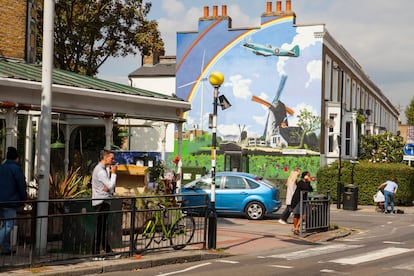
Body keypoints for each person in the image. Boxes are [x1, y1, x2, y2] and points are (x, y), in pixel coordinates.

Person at [0, 147, 27, 255]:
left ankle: (6, 248)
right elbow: (21, 185)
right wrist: (24, 198)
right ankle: (5, 247)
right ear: (17, 158)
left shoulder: (1, 167)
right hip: (10, 201)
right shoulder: (16, 169)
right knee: (8, 225)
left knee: (5, 225)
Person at [91, 150, 117, 254]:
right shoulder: (101, 171)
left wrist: (109, 186)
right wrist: (114, 174)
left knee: (103, 227)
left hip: (104, 200)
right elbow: (110, 186)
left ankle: (106, 249)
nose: (113, 160)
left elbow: (109, 187)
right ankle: (95, 251)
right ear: (105, 158)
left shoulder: (104, 169)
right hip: (101, 201)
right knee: (100, 227)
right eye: (111, 158)